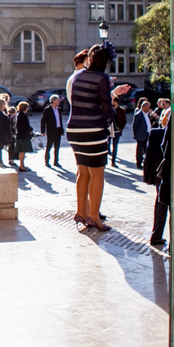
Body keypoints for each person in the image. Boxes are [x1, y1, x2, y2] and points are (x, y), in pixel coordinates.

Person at [66, 45, 133, 231]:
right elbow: (105, 107)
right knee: (97, 173)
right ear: (105, 62)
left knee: (83, 171)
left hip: (74, 130)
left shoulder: (77, 76)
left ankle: (80, 211)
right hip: (93, 131)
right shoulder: (101, 78)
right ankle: (94, 216)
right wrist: (108, 121)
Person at [146, 108, 171, 246]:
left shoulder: (155, 133)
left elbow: (148, 159)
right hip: (167, 175)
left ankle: (156, 235)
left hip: (159, 176)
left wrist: (149, 178)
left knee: (160, 205)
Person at [40, 95, 65, 168]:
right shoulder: (47, 110)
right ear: (53, 101)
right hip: (51, 131)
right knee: (49, 146)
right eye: (57, 100)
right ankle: (47, 161)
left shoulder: (59, 109)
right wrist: (43, 131)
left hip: (58, 130)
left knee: (57, 146)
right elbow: (43, 121)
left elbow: (59, 120)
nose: (59, 101)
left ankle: (56, 161)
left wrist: (62, 129)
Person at [132, 99, 153, 168]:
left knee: (146, 149)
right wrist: (135, 134)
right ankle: (139, 163)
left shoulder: (147, 114)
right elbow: (135, 125)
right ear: (144, 107)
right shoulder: (138, 115)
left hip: (147, 133)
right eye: (148, 107)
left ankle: (145, 161)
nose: (149, 109)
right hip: (141, 135)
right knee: (140, 149)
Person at [15, 101, 34, 171]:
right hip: (23, 136)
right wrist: (30, 129)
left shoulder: (19, 115)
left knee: (21, 151)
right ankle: (21, 165)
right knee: (22, 151)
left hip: (20, 135)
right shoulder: (23, 116)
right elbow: (25, 126)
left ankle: (22, 165)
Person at [108, 96, 125, 167]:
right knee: (106, 145)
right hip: (109, 131)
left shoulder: (121, 110)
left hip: (117, 131)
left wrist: (120, 129)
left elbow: (124, 121)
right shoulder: (109, 109)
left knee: (115, 146)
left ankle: (113, 161)